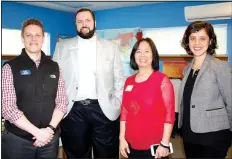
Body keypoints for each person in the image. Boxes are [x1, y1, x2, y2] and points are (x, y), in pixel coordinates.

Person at [53, 8, 125, 158]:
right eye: (80, 21)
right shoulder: (62, 47)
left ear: (95, 23)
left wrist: (116, 104)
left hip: (104, 110)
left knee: (107, 155)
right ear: (75, 25)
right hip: (73, 112)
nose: (84, 24)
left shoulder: (111, 47)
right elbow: (56, 80)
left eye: (87, 20)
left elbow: (119, 79)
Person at [2, 18, 68, 159]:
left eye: (38, 35)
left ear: (43, 38)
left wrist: (49, 130)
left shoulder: (55, 67)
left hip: (49, 141)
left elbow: (62, 102)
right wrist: (37, 133)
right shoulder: (9, 67)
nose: (33, 39)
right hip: (18, 141)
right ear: (22, 38)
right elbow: (8, 108)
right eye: (28, 35)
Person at [178, 21, 232, 158]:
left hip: (214, 137)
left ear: (210, 41)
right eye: (192, 38)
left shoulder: (220, 66)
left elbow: (231, 102)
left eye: (202, 38)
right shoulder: (186, 69)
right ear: (187, 41)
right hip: (190, 135)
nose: (197, 43)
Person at [119, 38, 175, 158]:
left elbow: (169, 115)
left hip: (155, 147)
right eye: (138, 51)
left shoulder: (162, 81)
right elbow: (124, 112)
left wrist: (164, 144)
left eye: (147, 51)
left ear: (153, 55)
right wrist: (121, 138)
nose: (142, 55)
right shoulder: (128, 81)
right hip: (131, 145)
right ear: (134, 55)